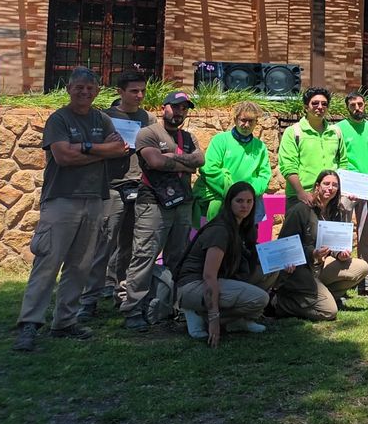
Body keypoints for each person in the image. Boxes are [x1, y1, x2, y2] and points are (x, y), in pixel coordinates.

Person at [13, 67, 130, 352]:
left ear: (97, 91)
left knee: (80, 265)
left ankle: (65, 321)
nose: (84, 92)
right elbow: (63, 156)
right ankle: (29, 323)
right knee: (48, 262)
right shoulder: (59, 119)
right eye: (79, 87)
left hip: (94, 199)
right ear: (69, 88)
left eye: (90, 89)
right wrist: (99, 149)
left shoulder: (102, 119)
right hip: (61, 199)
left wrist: (87, 148)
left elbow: (119, 150)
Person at [120, 91, 204, 331]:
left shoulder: (188, 137)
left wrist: (173, 158)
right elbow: (155, 162)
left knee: (178, 257)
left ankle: (174, 306)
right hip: (153, 203)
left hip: (183, 202)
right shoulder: (149, 133)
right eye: (175, 107)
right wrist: (183, 162)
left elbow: (200, 160)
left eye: (184, 108)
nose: (179, 112)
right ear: (163, 107)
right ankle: (133, 309)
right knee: (144, 256)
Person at [77, 70, 151, 324]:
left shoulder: (148, 119)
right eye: (134, 91)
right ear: (120, 92)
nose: (139, 95)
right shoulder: (104, 117)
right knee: (103, 246)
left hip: (139, 187)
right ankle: (89, 300)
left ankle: (124, 296)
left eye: (142, 90)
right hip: (111, 187)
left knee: (131, 247)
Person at [268, 170, 368, 321]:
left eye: (334, 185)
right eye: (326, 184)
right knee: (329, 312)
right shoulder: (301, 210)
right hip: (299, 268)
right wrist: (313, 253)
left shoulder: (336, 211)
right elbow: (285, 244)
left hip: (320, 266)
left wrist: (339, 254)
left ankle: (320, 297)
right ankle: (278, 302)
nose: (330, 188)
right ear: (317, 186)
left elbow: (333, 243)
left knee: (362, 267)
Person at [176, 181, 268, 345]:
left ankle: (237, 320)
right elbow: (209, 276)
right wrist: (213, 319)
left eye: (249, 201)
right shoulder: (220, 230)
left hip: (222, 278)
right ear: (229, 202)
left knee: (272, 267)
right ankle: (200, 315)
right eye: (239, 201)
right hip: (193, 284)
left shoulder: (244, 227)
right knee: (260, 299)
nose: (244, 206)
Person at [193, 101, 271, 225]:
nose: (246, 125)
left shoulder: (260, 146)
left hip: (248, 205)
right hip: (222, 203)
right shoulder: (220, 140)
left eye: (251, 121)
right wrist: (231, 191)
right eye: (243, 120)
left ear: (256, 122)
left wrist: (248, 193)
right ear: (235, 120)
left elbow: (264, 176)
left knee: (247, 241)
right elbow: (209, 168)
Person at [337, 92, 368, 275]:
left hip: (367, 186)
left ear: (365, 105)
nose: (357, 108)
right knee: (344, 228)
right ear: (347, 108)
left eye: (360, 104)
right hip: (347, 186)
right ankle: (343, 267)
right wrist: (347, 180)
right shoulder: (339, 128)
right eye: (353, 105)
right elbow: (339, 157)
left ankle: (365, 270)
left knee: (365, 231)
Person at [279, 87, 348, 207]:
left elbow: (343, 162)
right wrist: (301, 193)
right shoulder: (293, 132)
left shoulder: (336, 132)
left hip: (330, 197)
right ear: (306, 107)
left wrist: (339, 190)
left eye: (324, 104)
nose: (320, 107)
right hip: (301, 197)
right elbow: (288, 166)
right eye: (315, 103)